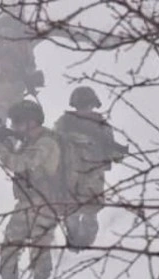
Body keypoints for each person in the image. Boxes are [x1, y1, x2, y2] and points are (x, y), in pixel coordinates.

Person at [0, 100, 63, 279]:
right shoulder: (30, 142)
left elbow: (20, 164)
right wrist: (4, 143)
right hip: (26, 204)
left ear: (32, 121)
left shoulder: (46, 143)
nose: (14, 126)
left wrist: (0, 147)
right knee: (8, 250)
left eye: (18, 122)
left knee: (39, 255)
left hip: (44, 205)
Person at [54, 86, 124, 249]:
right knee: (73, 213)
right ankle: (75, 245)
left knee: (89, 213)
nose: (85, 109)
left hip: (91, 175)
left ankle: (85, 246)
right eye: (82, 105)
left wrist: (116, 153)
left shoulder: (100, 125)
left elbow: (111, 149)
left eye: (87, 105)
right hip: (72, 174)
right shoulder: (66, 122)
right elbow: (54, 142)